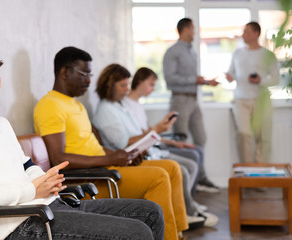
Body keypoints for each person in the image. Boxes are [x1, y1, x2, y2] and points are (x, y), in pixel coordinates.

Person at [0, 46, 165, 240]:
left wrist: (46, 181)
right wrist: (31, 190)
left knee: (150, 212)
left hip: (51, 205)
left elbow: (25, 165)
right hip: (24, 226)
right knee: (137, 233)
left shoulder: (1, 123)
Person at [34, 46, 187, 240]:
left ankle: (178, 233)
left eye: (90, 74)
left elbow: (94, 148)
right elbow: (58, 158)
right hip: (89, 179)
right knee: (158, 177)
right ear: (64, 72)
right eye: (84, 74)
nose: (89, 80)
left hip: (103, 166)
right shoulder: (50, 105)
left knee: (172, 167)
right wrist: (111, 158)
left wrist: (124, 156)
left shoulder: (76, 104)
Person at [93, 64, 218, 228]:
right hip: (130, 159)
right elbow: (124, 143)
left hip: (142, 153)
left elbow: (139, 132)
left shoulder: (119, 106)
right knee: (182, 169)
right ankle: (186, 214)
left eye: (127, 84)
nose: (127, 89)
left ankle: (186, 211)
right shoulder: (105, 110)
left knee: (185, 166)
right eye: (123, 85)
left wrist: (157, 131)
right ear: (109, 85)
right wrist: (157, 130)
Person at [163, 17, 219, 192]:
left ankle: (199, 178)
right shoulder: (173, 51)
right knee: (180, 139)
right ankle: (185, 185)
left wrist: (204, 81)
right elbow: (170, 79)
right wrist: (193, 80)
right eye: (193, 28)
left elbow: (190, 79)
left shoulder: (192, 51)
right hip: (179, 99)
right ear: (185, 29)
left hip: (194, 99)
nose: (195, 32)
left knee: (201, 138)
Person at [226, 22, 280, 163]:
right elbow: (231, 73)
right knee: (244, 135)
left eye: (247, 32)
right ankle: (246, 174)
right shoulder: (237, 53)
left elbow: (276, 79)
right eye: (243, 32)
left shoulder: (268, 55)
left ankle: (261, 176)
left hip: (261, 101)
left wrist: (260, 80)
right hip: (241, 100)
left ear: (256, 33)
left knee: (263, 137)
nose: (243, 35)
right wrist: (230, 77)